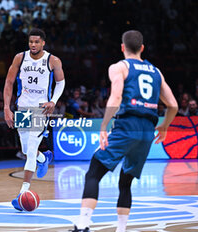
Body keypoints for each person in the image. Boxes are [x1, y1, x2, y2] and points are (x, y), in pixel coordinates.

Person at [71, 30, 178, 232]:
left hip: (127, 125)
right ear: (142, 48)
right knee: (125, 182)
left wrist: (103, 125)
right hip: (147, 131)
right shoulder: (156, 71)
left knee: (94, 172)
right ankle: (121, 229)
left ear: (122, 47)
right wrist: (164, 126)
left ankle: (83, 223)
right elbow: (173, 105)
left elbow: (116, 96)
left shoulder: (119, 67)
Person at [3, 28, 65, 211]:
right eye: (31, 42)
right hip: (22, 108)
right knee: (25, 149)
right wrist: (7, 107)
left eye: (37, 42)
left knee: (30, 149)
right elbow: (9, 82)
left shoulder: (53, 60)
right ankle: (43, 157)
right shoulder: (19, 58)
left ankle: (23, 192)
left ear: (43, 43)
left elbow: (61, 82)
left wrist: (53, 101)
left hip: (40, 109)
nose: (33, 45)